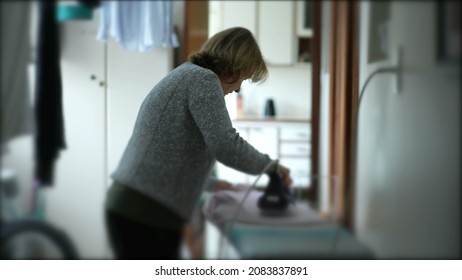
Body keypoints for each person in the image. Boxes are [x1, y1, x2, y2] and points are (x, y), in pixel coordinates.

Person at [105, 27, 293, 259]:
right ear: (233, 65)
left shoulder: (187, 75)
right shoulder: (203, 80)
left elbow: (171, 152)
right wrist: (271, 166)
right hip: (146, 211)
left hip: (136, 205)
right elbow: (225, 144)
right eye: (242, 78)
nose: (237, 89)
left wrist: (212, 184)